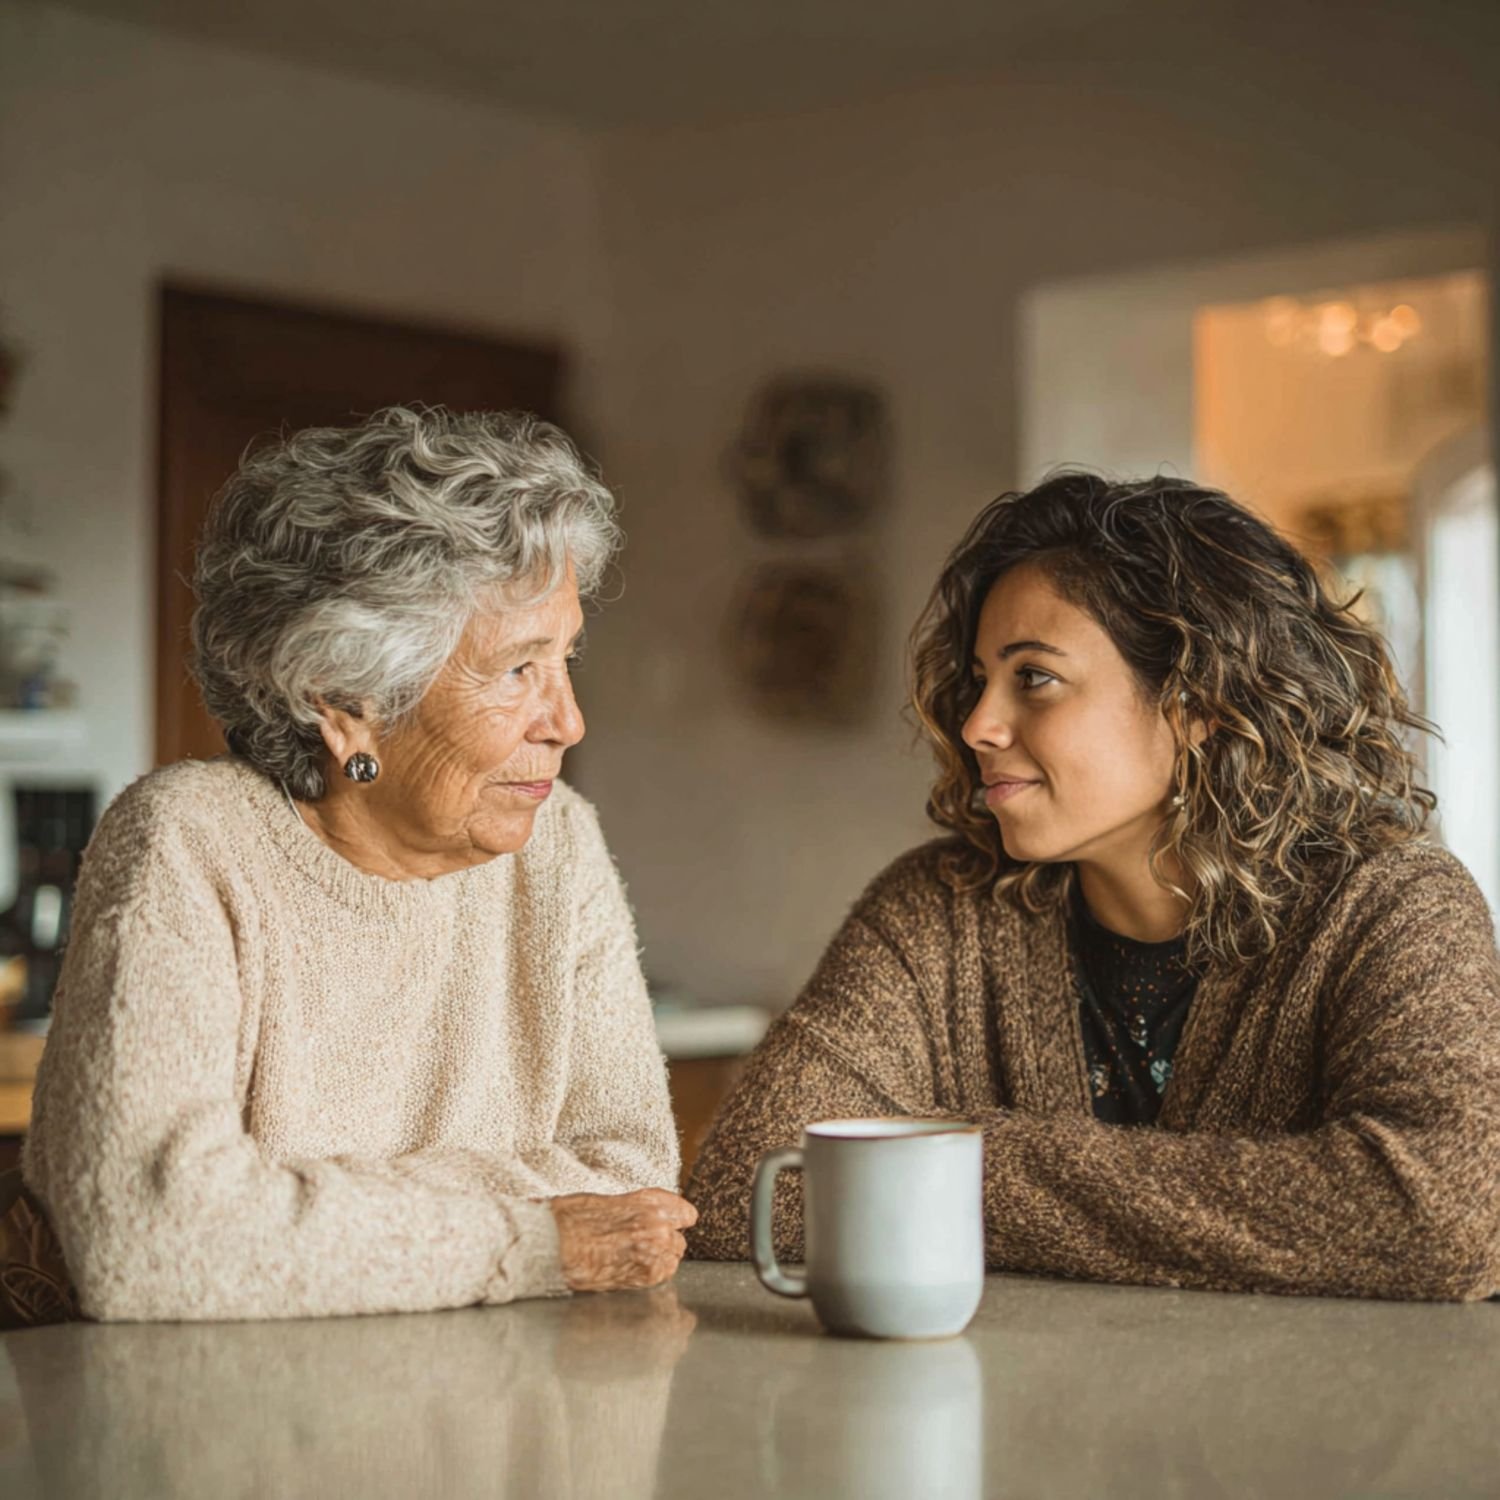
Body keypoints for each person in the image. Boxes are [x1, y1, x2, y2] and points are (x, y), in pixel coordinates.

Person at [687, 471, 1500, 1300]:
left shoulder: (1394, 907)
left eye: (1033, 677)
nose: (977, 725)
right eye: (980, 679)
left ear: (1197, 702)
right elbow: (743, 1191)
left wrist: (960, 1161)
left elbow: (1445, 1216)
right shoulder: (939, 909)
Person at [4, 406, 693, 1326]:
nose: (568, 722)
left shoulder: (558, 844)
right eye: (518, 669)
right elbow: (156, 1236)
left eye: (565, 657)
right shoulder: (187, 841)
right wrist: (531, 1238)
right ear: (344, 702)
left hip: (503, 1399)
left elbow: (633, 1185)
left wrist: (288, 1209)